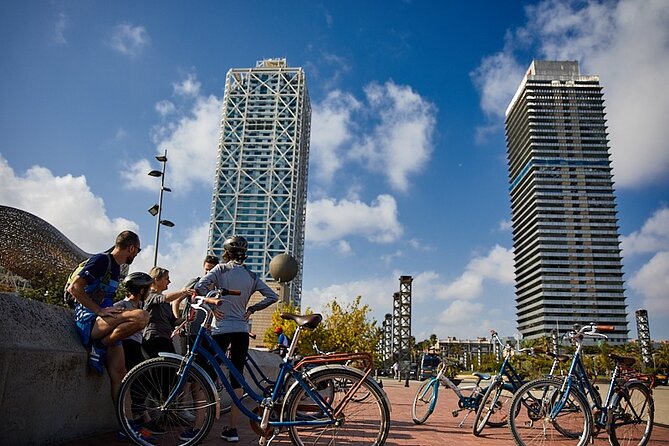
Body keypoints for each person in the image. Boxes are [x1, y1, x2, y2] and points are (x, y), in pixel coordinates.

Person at [194, 235, 279, 442]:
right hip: (241, 329)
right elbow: (273, 296)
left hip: (220, 329)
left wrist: (212, 306)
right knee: (237, 376)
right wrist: (252, 308)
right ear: (245, 254)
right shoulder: (251, 275)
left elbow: (198, 290)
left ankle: (198, 427)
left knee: (203, 374)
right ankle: (232, 428)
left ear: (226, 253)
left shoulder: (220, 269)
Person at [67, 231, 150, 440]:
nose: (137, 254)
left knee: (120, 375)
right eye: (137, 250)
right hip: (89, 321)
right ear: (131, 248)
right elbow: (74, 288)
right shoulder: (101, 260)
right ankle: (101, 344)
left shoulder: (115, 268)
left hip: (106, 323)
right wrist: (98, 310)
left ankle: (127, 427)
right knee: (140, 316)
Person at [142, 266, 192, 358]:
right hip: (155, 339)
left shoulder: (165, 302)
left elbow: (173, 321)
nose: (169, 282)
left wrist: (187, 318)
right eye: (167, 278)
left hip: (165, 338)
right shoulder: (150, 296)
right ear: (156, 280)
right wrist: (183, 292)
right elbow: (165, 298)